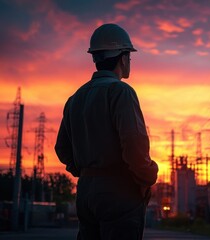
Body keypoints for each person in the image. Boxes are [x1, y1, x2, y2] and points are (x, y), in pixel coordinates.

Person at [55, 23, 158, 240]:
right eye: (129, 56)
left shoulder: (75, 98)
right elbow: (134, 147)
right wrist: (148, 176)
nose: (130, 61)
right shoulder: (121, 92)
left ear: (96, 58)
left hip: (86, 193)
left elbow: (62, 148)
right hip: (119, 192)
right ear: (122, 58)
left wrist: (84, 172)